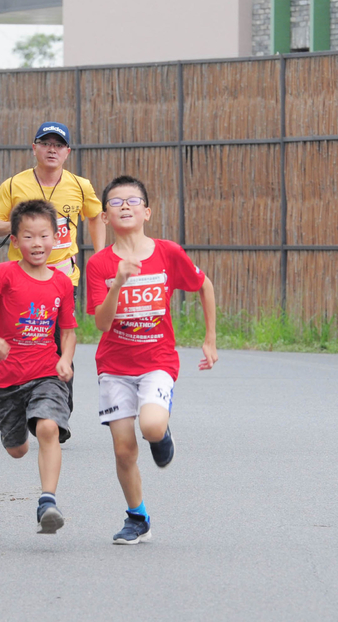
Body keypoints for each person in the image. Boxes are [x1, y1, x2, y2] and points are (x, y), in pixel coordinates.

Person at [85, 175, 217, 545]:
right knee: (124, 449)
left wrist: (210, 339)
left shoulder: (167, 252)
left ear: (147, 212)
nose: (124, 206)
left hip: (157, 358)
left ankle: (161, 434)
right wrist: (117, 283)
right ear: (106, 218)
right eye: (115, 202)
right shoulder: (99, 265)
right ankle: (137, 517)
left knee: (154, 426)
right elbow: (101, 322)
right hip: (114, 365)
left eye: (132, 200)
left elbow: (203, 285)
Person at [0, 199, 77, 534]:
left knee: (47, 428)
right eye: (28, 236)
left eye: (44, 235)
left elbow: (69, 331)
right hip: (6, 382)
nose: (37, 243)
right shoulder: (4, 273)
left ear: (56, 238)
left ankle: (48, 501)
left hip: (46, 374)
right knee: (16, 449)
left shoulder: (61, 283)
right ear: (14, 241)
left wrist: (65, 360)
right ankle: (19, 435)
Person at [0, 121, 105, 409]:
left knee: (61, 341)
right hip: (21, 278)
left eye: (58, 145)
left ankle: (58, 408)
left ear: (67, 152)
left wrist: (100, 253)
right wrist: (22, 223)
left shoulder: (80, 185)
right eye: (46, 144)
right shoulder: (14, 184)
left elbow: (96, 215)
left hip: (63, 275)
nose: (52, 150)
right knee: (27, 339)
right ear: (34, 148)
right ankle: (22, 399)